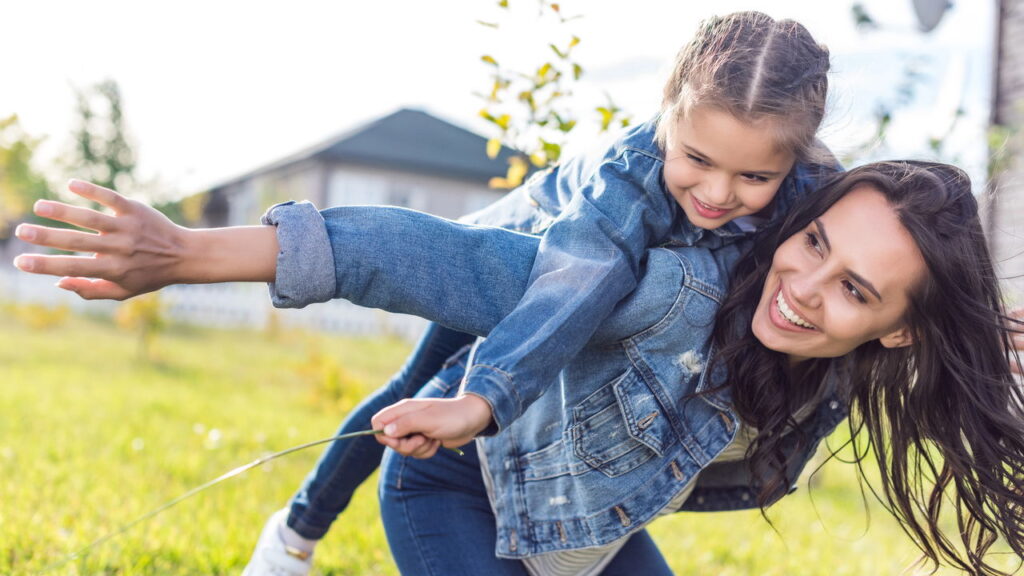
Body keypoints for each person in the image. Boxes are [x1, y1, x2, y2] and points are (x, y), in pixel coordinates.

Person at [13, 11, 837, 575]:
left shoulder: (808, 192)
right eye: (695, 158)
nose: (720, 192)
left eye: (753, 175)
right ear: (665, 114)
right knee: (414, 391)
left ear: (792, 162)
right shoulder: (622, 188)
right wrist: (486, 398)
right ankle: (294, 535)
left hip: (567, 300)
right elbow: (571, 290)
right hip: (503, 261)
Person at [15, 162, 1024, 575]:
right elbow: (436, 258)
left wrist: (978, 332)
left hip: (570, 509)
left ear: (900, 330)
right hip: (465, 456)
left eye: (856, 291)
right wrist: (192, 254)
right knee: (417, 384)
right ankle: (297, 532)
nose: (806, 290)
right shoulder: (663, 283)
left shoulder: (858, 372)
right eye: (811, 246)